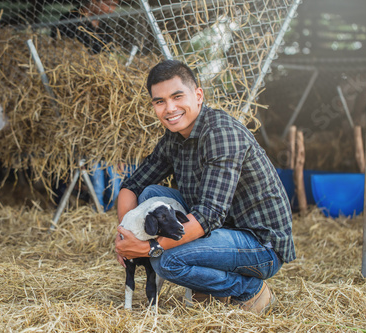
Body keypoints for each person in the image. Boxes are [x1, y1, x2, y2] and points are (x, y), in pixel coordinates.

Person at [114, 60, 295, 314]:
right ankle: (207, 282)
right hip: (223, 228)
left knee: (166, 261)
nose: (170, 108)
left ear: (198, 95)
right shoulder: (174, 137)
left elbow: (208, 215)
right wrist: (126, 235)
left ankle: (249, 290)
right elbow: (132, 186)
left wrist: (147, 248)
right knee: (150, 195)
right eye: (160, 101)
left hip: (260, 245)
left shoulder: (221, 134)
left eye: (177, 96)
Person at [51, 0, 118, 54]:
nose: (111, 10)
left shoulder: (105, 26)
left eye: (115, 6)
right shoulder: (70, 19)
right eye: (108, 4)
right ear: (93, 1)